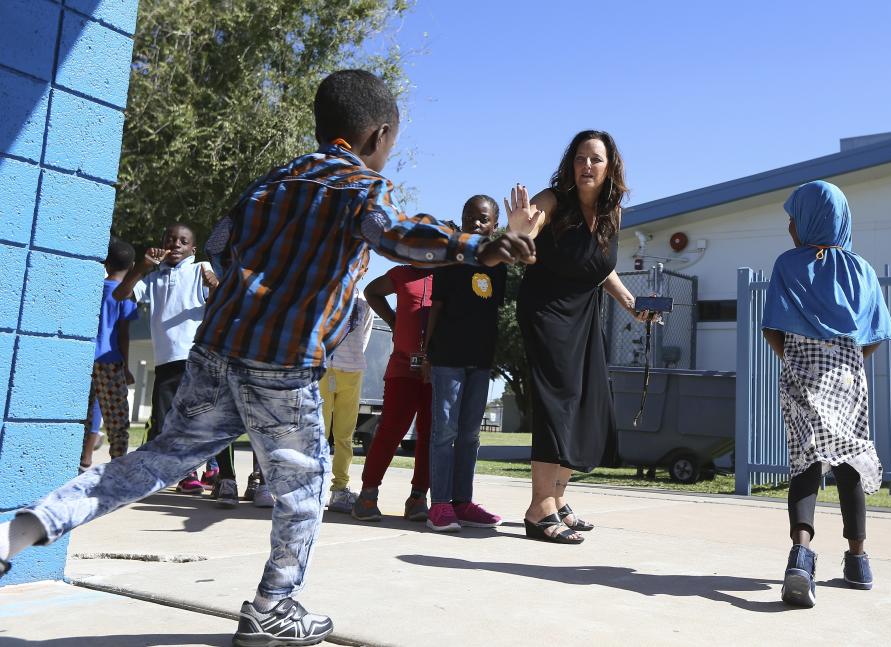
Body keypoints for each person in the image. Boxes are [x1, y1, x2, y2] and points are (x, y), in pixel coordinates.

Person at [0, 69, 536, 647]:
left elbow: (221, 243)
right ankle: (273, 606)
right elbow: (397, 233)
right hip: (281, 362)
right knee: (304, 488)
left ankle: (25, 527)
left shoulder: (273, 180)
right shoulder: (360, 186)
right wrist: (483, 246)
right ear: (379, 135)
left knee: (156, 460)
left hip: (216, 348)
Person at [506, 130, 650, 545]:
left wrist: (629, 301)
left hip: (585, 314)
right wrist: (518, 231)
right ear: (571, 164)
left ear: (610, 168)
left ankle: (558, 497)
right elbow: (526, 236)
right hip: (546, 311)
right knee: (558, 400)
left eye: (596, 159)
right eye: (581, 158)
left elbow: (599, 266)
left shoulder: (611, 214)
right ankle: (538, 508)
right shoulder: (553, 201)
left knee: (588, 399)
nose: (587, 166)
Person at [761, 180, 891, 607]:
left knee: (806, 461)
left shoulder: (787, 265)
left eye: (793, 219)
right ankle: (858, 562)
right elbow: (876, 333)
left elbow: (771, 327)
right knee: (849, 463)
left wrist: (795, 360)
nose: (789, 229)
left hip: (800, 373)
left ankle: (800, 557)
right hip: (849, 377)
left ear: (811, 220)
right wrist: (848, 365)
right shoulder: (864, 270)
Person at [110, 223, 223, 498]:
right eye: (170, 239)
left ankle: (202, 470)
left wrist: (215, 286)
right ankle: (190, 471)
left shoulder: (200, 269)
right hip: (165, 361)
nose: (175, 245)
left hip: (196, 357)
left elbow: (222, 301)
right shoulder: (152, 278)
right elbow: (119, 294)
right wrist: (141, 268)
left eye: (182, 241)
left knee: (198, 417)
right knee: (166, 421)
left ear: (192, 249)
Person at [423, 196, 506, 532]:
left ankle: (463, 502)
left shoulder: (498, 266)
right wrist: (427, 353)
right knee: (444, 431)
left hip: (480, 361)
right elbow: (436, 308)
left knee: (471, 435)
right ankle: (440, 505)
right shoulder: (450, 260)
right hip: (447, 359)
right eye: (470, 216)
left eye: (483, 218)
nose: (476, 222)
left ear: (494, 225)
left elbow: (490, 314)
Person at [353, 264, 434, 522]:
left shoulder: (448, 276)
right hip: (402, 366)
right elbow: (372, 291)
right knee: (390, 430)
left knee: (429, 433)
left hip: (436, 370)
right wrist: (391, 319)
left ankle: (418, 498)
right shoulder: (401, 274)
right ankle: (367, 496)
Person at [79, 237, 139, 473]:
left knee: (88, 411)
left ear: (106, 264)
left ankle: (83, 461)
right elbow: (123, 333)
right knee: (116, 417)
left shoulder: (94, 290)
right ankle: (118, 465)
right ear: (132, 267)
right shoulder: (125, 295)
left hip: (86, 359)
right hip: (110, 360)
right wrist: (125, 366)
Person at [320, 290, 374, 513]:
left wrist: (352, 359)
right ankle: (314, 486)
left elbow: (366, 333)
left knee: (344, 434)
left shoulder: (364, 299)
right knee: (318, 432)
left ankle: (339, 488)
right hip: (323, 368)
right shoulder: (326, 287)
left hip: (352, 371)